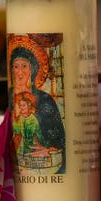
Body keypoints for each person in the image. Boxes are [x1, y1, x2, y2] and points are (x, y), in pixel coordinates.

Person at [8, 38, 65, 173]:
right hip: (17, 169)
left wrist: (49, 150)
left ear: (32, 71)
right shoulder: (10, 96)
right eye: (16, 66)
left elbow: (60, 139)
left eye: (24, 66)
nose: (19, 72)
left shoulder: (45, 100)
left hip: (45, 165)